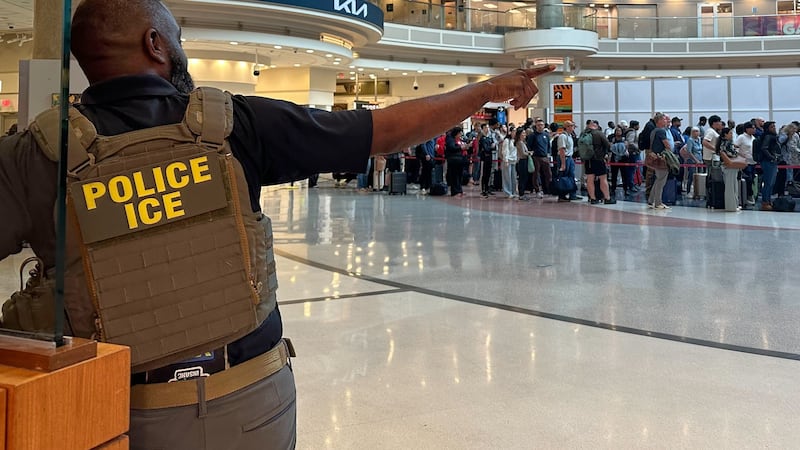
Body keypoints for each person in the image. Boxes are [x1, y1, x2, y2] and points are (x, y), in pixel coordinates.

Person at [0, 1, 555, 449]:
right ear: (156, 44)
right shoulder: (234, 125)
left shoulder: (35, 156)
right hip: (247, 400)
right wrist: (487, 91)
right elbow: (382, 131)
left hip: (110, 407)